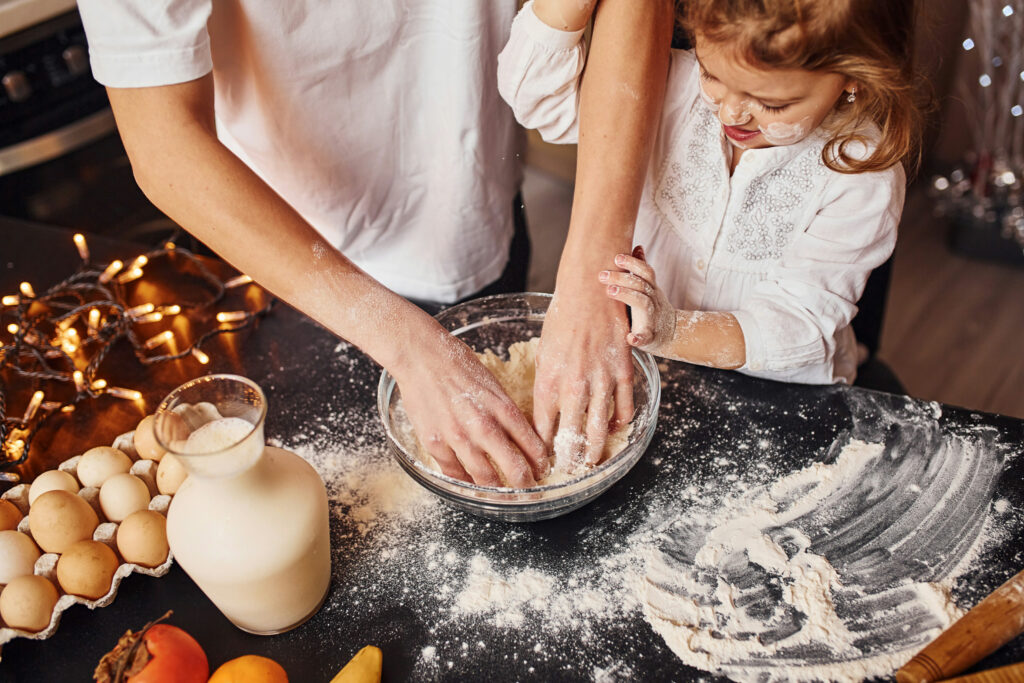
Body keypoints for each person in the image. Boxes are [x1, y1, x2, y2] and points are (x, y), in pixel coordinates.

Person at [76, 1, 672, 485]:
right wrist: (405, 345)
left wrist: (594, 265)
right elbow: (164, 142)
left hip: (471, 198)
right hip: (283, 259)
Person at [499, 0, 923, 385]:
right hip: (656, 371)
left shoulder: (862, 177)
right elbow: (539, 102)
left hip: (775, 389)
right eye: (711, 74)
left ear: (855, 80)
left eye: (771, 104)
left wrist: (671, 331)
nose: (731, 112)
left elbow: (800, 326)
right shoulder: (667, 85)